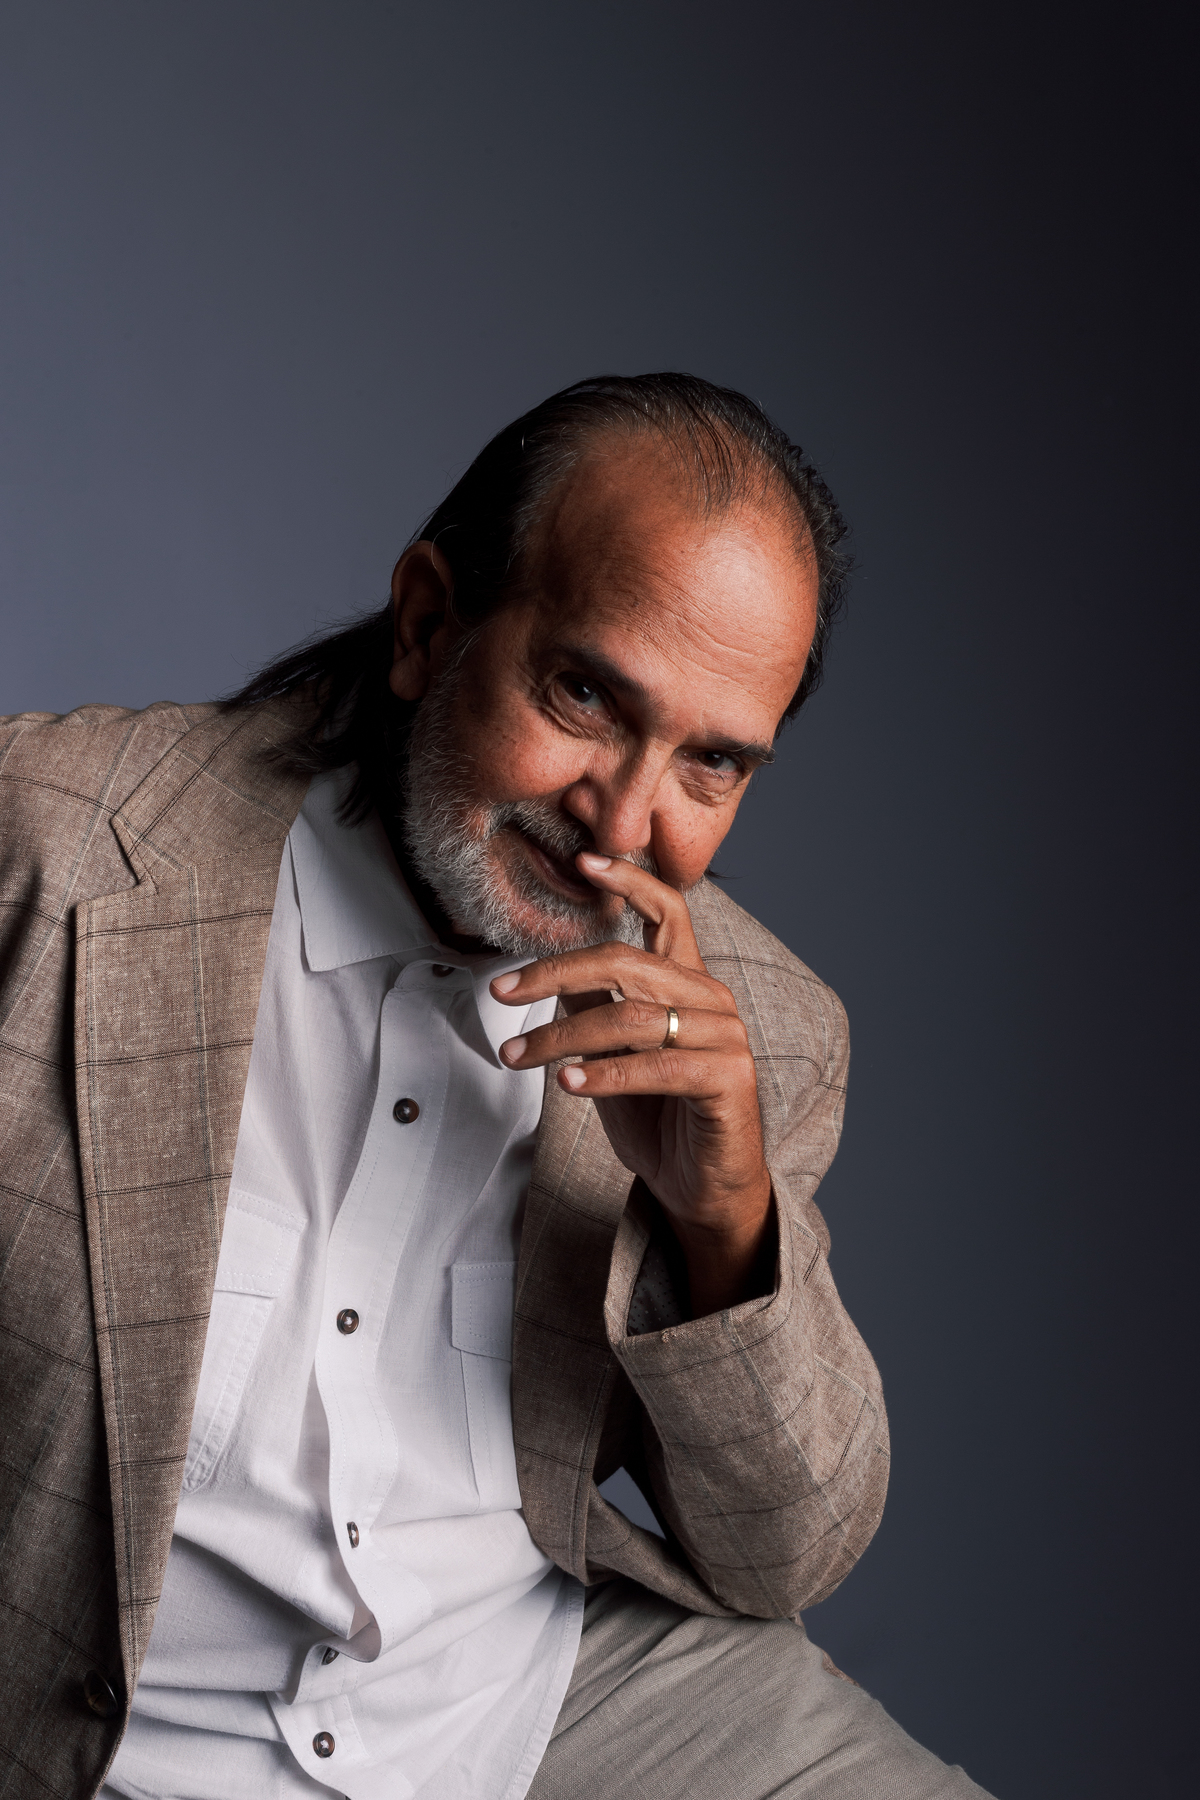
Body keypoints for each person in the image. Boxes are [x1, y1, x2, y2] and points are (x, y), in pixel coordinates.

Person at [0, 374, 994, 1799]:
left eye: (712, 764)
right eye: (585, 694)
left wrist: (724, 1220)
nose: (623, 819)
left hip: (519, 1701)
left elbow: (783, 1555)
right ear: (429, 625)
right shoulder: (49, 847)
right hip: (94, 1717)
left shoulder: (758, 1028)